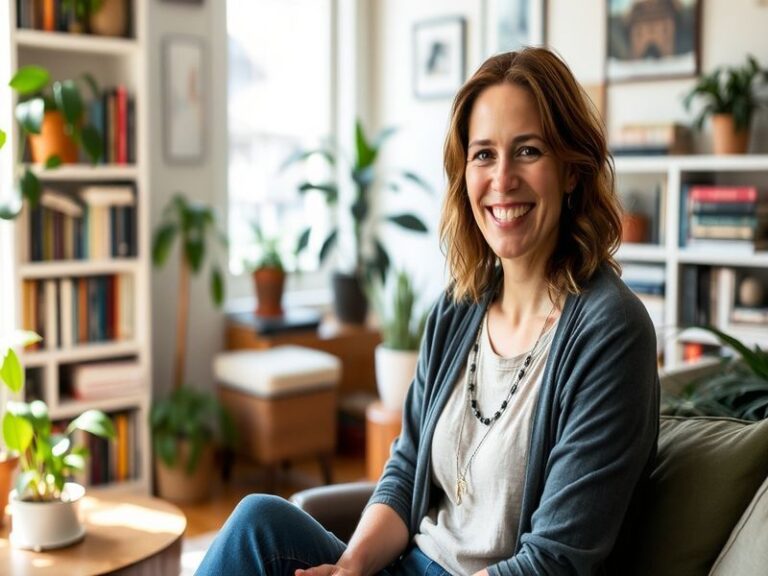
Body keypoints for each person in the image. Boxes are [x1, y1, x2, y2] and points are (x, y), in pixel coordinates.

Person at [195, 47, 659, 576]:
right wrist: (351, 568)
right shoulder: (458, 309)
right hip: (409, 564)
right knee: (258, 522)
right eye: (483, 155)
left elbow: (555, 561)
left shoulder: (611, 331)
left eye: (528, 151)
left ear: (572, 171)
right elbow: (407, 467)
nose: (502, 178)